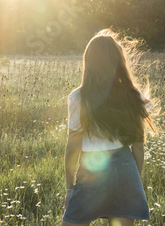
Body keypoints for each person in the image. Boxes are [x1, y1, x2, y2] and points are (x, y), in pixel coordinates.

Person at [62, 29, 158, 226]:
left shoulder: (78, 98)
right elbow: (138, 146)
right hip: (125, 166)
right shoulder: (133, 95)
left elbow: (73, 146)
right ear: (118, 61)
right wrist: (133, 181)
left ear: (88, 61)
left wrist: (69, 188)